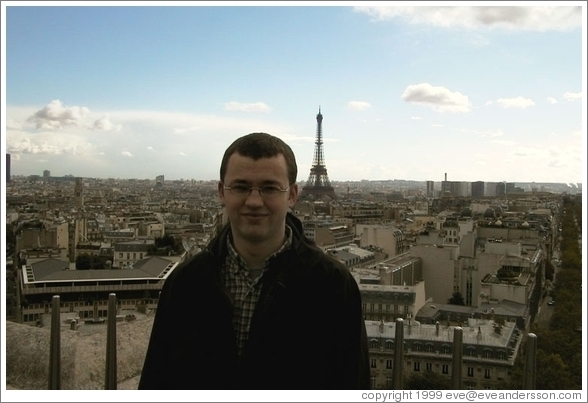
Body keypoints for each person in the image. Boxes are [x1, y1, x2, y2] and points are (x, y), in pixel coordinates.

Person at [138, 132, 370, 390]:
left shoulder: (335, 287)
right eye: (240, 187)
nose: (254, 201)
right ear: (221, 192)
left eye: (270, 188)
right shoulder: (184, 283)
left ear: (293, 195)